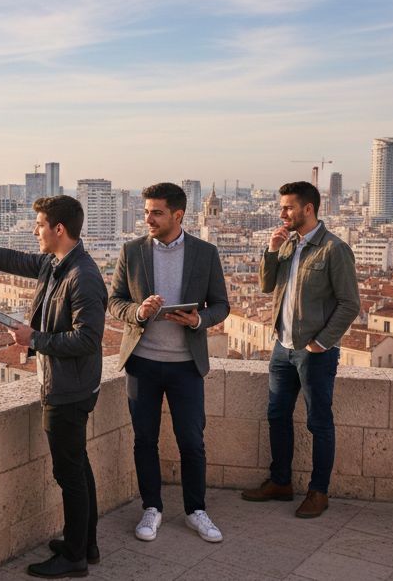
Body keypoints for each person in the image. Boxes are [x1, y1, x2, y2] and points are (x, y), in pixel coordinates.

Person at [0, 195, 107, 579]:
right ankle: (86, 544)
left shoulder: (83, 277)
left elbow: (88, 340)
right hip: (67, 385)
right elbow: (12, 259)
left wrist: (34, 338)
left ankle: (75, 555)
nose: (35, 231)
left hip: (69, 390)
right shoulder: (57, 264)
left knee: (69, 473)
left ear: (59, 229)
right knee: (78, 467)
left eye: (40, 225)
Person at [108, 182, 230, 544]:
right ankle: (152, 508)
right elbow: (115, 301)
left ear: (178, 215)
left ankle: (196, 510)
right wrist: (138, 311)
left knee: (191, 440)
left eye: (156, 212)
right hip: (142, 363)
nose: (148, 218)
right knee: (144, 439)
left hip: (185, 365)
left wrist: (197, 321)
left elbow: (221, 305)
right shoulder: (131, 251)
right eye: (146, 211)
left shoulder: (205, 253)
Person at [242, 181, 359, 518]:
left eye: (288, 207)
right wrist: (271, 250)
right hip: (283, 347)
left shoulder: (334, 249)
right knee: (277, 415)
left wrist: (322, 342)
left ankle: (318, 492)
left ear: (308, 209)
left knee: (318, 422)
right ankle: (280, 482)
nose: (282, 213)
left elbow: (350, 304)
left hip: (314, 352)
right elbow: (267, 287)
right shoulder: (288, 244)